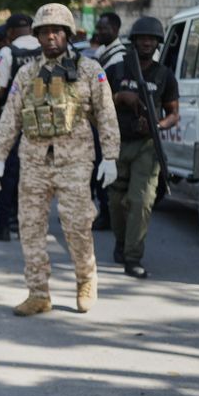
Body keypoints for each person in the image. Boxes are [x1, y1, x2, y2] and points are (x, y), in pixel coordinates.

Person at [0, 3, 120, 316]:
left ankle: (86, 280)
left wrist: (111, 156)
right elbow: (10, 117)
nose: (50, 37)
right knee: (30, 227)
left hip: (75, 160)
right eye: (45, 32)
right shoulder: (27, 72)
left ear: (67, 34)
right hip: (33, 160)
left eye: (56, 31)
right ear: (37, 35)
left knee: (77, 225)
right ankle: (38, 292)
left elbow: (105, 114)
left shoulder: (89, 70)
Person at [106, 16, 179, 279]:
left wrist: (157, 126)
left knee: (141, 201)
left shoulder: (164, 75)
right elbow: (96, 103)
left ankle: (133, 257)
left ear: (158, 42)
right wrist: (120, 97)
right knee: (116, 200)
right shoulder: (117, 70)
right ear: (134, 41)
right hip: (116, 143)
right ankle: (121, 242)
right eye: (142, 38)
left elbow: (173, 113)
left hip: (147, 147)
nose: (147, 42)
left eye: (152, 38)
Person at [0, 12, 40, 242]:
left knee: (5, 174)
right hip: (42, 122)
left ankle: (3, 226)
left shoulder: (8, 52)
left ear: (9, 32)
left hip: (12, 122)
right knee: (34, 175)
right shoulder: (44, 49)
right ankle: (25, 223)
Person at [91, 12, 125, 232]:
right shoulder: (102, 52)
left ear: (115, 30)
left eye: (104, 29)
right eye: (99, 28)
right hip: (96, 121)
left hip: (109, 121)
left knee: (105, 169)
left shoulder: (119, 57)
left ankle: (107, 214)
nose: (99, 32)